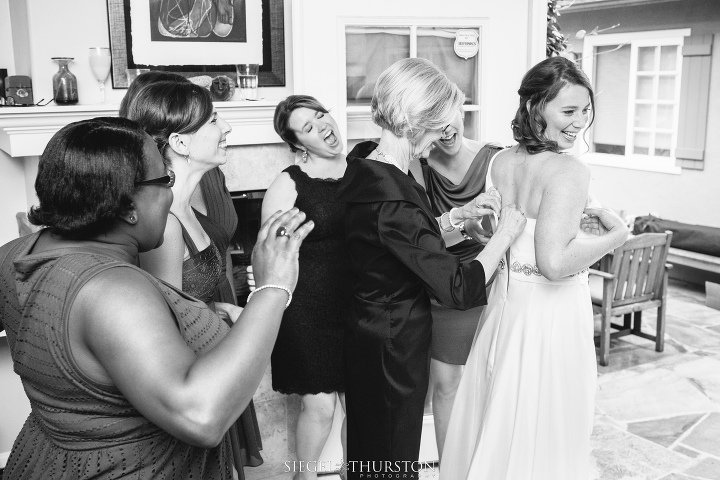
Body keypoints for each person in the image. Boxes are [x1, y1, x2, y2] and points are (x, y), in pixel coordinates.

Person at [0, 117, 313, 479]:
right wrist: (273, 287)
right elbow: (201, 416)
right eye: (165, 179)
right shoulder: (111, 290)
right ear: (125, 205)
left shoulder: (14, 253)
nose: (171, 192)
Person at [335, 57, 527, 480]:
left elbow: (401, 245)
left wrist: (458, 216)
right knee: (390, 460)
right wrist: (504, 235)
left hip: (369, 334)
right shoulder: (394, 197)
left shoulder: (368, 167)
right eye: (440, 121)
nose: (444, 133)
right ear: (413, 120)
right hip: (391, 346)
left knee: (373, 454)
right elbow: (459, 287)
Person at [441, 56, 629, 479]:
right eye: (568, 111)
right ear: (535, 107)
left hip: (504, 315)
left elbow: (500, 238)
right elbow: (554, 264)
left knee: (501, 417)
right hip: (551, 321)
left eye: (585, 110)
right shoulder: (567, 170)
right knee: (547, 428)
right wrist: (617, 235)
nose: (580, 122)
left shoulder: (501, 162)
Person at [123, 81, 264, 478]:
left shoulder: (188, 208)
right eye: (215, 120)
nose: (227, 128)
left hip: (215, 367)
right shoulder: (163, 227)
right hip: (192, 385)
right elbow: (166, 326)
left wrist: (224, 308)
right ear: (181, 144)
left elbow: (185, 300)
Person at [260, 95, 349, 480]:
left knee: (362, 407)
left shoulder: (365, 170)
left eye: (320, 115)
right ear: (298, 144)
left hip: (360, 304)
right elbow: (269, 253)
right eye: (308, 127)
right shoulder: (288, 184)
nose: (322, 126)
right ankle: (305, 476)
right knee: (321, 408)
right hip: (308, 309)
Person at [407, 109, 501, 458]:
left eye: (449, 117)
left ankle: (488, 463)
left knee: (494, 380)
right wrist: (464, 225)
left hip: (492, 277)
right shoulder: (419, 166)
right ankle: (450, 468)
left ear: (461, 113)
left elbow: (509, 225)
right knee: (446, 385)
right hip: (443, 282)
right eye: (434, 123)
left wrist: (485, 231)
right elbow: (423, 242)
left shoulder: (496, 157)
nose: (446, 130)